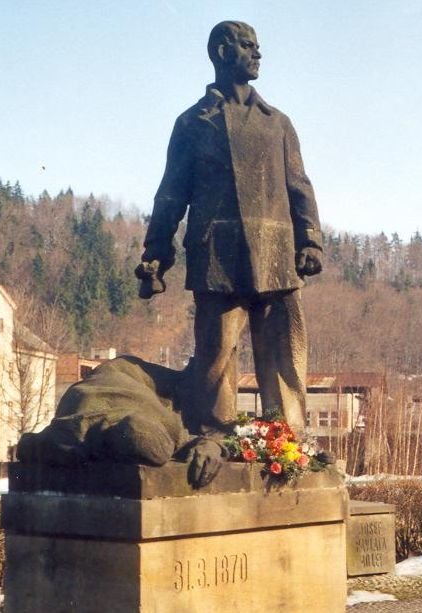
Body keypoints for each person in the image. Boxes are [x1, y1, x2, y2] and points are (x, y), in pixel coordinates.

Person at [136, 21, 323, 434]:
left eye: (258, 46)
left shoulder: (277, 123)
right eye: (248, 46)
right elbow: (171, 193)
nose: (258, 54)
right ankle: (214, 439)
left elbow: (299, 185)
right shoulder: (193, 123)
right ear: (222, 52)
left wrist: (311, 241)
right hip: (217, 255)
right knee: (216, 355)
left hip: (276, 256)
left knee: (284, 356)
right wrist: (156, 252)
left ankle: (288, 443)